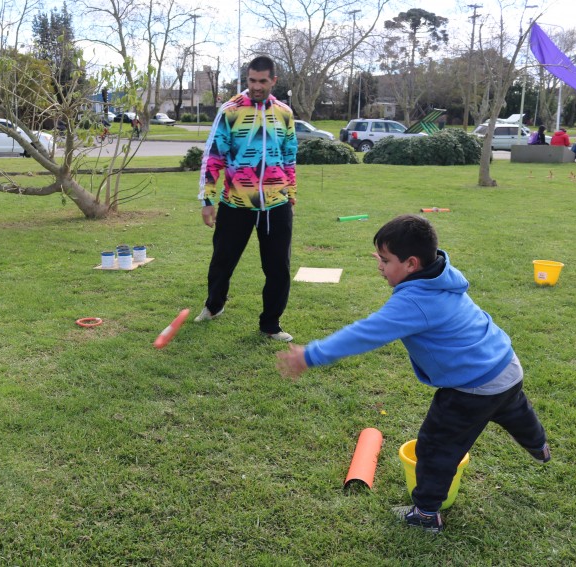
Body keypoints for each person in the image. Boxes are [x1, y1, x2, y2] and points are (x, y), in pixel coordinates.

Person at [276, 215, 550, 534]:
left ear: (411, 264)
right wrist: (391, 257)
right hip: (506, 365)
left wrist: (312, 354)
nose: (379, 265)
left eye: (385, 259)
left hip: (473, 385)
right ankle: (539, 446)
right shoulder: (441, 273)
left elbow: (366, 333)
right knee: (514, 410)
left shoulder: (414, 302)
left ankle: (425, 513)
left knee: (435, 447)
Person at [196, 55, 298, 341]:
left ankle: (270, 325)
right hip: (235, 203)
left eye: (262, 81)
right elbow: (213, 156)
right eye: (252, 80)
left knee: (278, 267)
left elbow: (290, 155)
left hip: (276, 204)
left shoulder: (284, 113)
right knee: (222, 261)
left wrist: (291, 192)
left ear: (273, 81)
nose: (256, 86)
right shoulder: (231, 111)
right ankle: (214, 306)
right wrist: (207, 200)